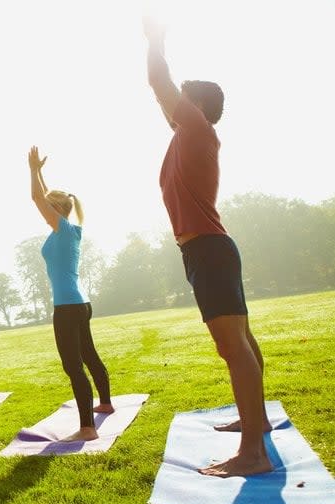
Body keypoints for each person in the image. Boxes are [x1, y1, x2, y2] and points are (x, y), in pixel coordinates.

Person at [144, 18, 272, 477]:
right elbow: (163, 95)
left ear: (195, 105)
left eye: (182, 97)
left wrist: (154, 38)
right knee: (242, 342)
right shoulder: (188, 134)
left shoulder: (195, 127)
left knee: (232, 347)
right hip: (209, 250)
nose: (171, 104)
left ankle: (252, 452)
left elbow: (160, 83)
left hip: (210, 251)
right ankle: (255, 425)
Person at [28, 146, 113, 442]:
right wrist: (40, 173)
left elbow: (38, 198)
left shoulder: (63, 230)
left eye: (49, 209)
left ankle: (87, 427)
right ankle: (105, 402)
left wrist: (32, 170)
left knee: (73, 365)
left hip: (67, 306)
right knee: (88, 354)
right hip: (79, 302)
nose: (42, 212)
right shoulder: (66, 230)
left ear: (57, 211)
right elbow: (47, 197)